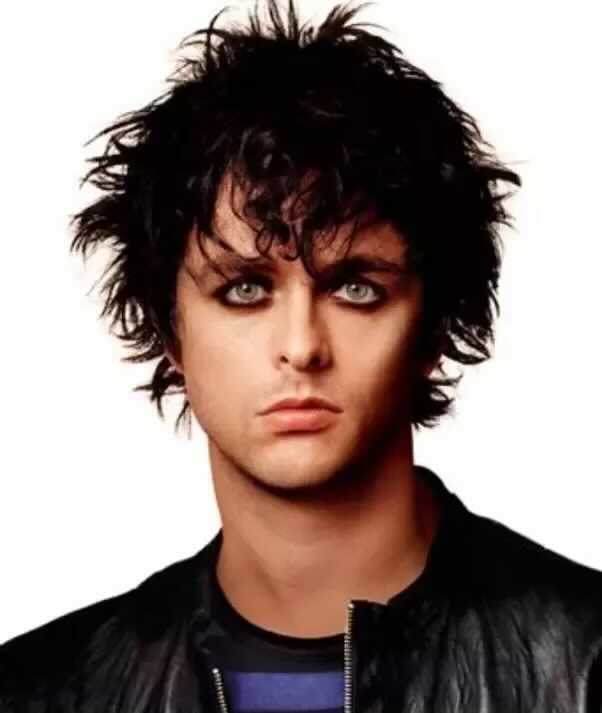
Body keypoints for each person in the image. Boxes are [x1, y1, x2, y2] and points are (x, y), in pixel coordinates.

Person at [1, 0, 601, 710]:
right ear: (170, 330)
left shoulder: (584, 665)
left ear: (434, 327)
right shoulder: (43, 691)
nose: (300, 346)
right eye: (244, 290)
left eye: (355, 288)